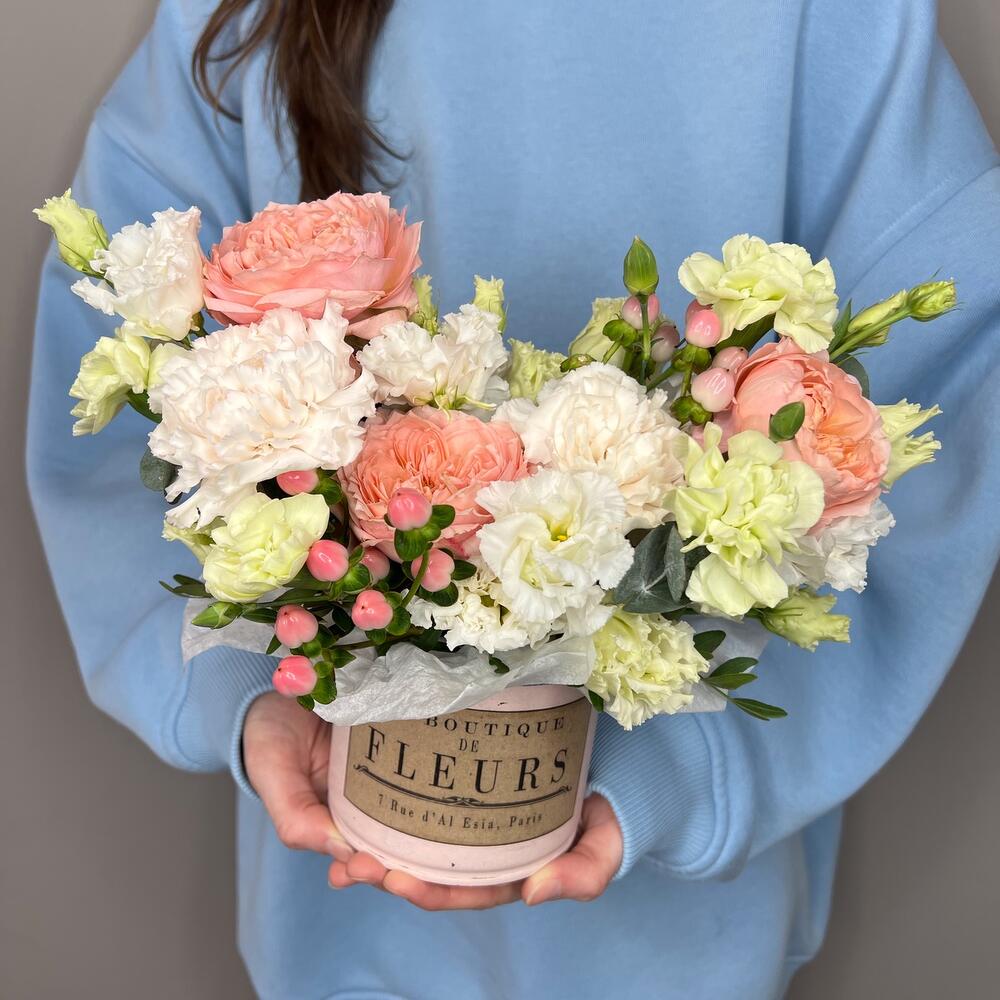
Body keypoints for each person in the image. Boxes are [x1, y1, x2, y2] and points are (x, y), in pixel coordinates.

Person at [27, 1, 1000, 997]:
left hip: (681, 954)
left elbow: (934, 412)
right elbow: (120, 357)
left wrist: (683, 765)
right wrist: (258, 689)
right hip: (341, 922)